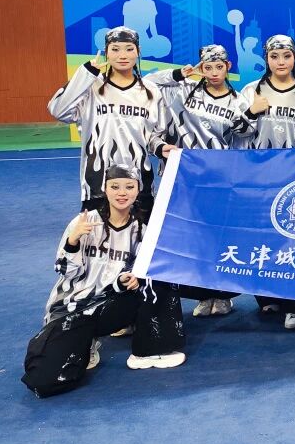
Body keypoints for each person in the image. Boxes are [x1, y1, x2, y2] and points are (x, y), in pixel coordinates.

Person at [21, 165, 186, 398]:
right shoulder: (84, 222)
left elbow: (132, 271)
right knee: (44, 381)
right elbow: (65, 271)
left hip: (109, 305)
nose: (122, 193)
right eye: (115, 187)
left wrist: (130, 278)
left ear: (138, 190)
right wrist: (73, 241)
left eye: (129, 187)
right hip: (73, 308)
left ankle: (150, 349)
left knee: (158, 277)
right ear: (105, 189)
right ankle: (84, 342)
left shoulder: (141, 230)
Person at [146, 44, 248, 317]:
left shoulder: (238, 102)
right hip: (183, 180)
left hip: (219, 182)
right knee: (191, 239)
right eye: (207, 67)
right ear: (201, 68)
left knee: (219, 238)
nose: (213, 72)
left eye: (219, 66)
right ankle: (202, 295)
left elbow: (243, 140)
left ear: (228, 67)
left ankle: (223, 295)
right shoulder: (181, 91)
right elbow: (149, 83)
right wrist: (181, 73)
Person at [238, 34, 295, 329]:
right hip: (260, 176)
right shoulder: (251, 91)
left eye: (286, 56)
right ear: (267, 59)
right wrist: (251, 112)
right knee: (264, 237)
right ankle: (268, 296)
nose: (281, 62)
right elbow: (233, 132)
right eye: (274, 56)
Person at [48, 26, 173, 211]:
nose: (122, 55)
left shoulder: (151, 91)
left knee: (142, 229)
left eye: (129, 49)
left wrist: (161, 147)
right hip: (97, 182)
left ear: (138, 52)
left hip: (138, 183)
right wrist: (85, 74)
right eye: (115, 49)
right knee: (96, 230)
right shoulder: (91, 87)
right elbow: (58, 110)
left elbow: (153, 135)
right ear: (106, 52)